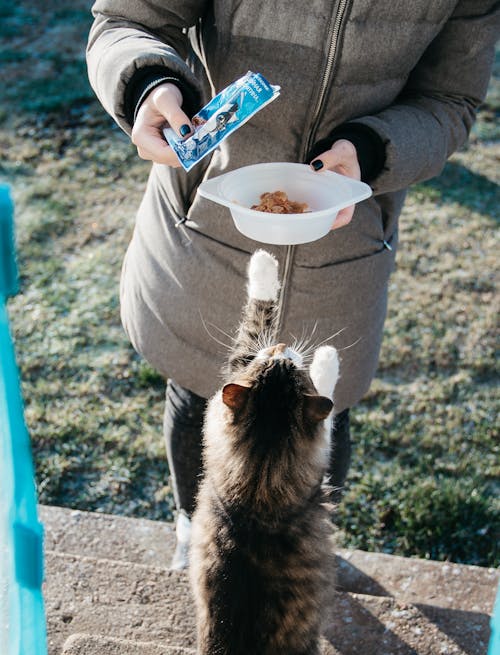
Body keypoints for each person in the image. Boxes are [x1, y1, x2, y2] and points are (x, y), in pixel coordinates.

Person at [86, 1, 499, 568]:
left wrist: (373, 149)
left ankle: (295, 558)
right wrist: (146, 83)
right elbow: (127, 21)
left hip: (344, 244)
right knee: (198, 380)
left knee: (322, 406)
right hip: (206, 217)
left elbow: (450, 101)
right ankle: (196, 528)